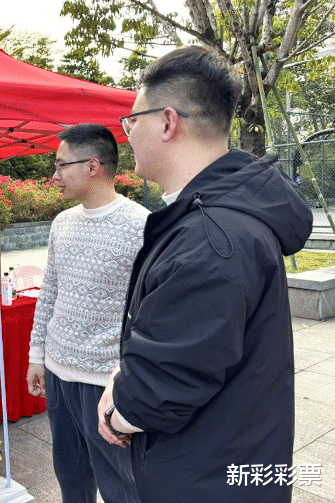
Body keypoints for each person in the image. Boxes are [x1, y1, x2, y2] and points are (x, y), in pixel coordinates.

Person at [98, 46, 313, 503]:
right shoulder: (218, 218)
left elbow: (161, 390)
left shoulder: (210, 239)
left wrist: (116, 413)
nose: (128, 134)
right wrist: (122, 376)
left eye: (131, 121)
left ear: (167, 122)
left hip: (207, 480)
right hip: (232, 458)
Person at [26, 124, 147, 503]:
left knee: (120, 484)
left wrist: (129, 377)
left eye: (61, 165)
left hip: (106, 382)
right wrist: (36, 356)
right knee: (70, 478)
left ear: (92, 166)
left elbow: (149, 315)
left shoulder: (142, 226)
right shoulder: (61, 223)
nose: (55, 175)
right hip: (58, 374)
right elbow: (50, 292)